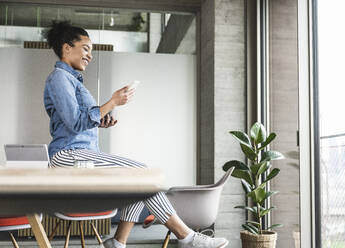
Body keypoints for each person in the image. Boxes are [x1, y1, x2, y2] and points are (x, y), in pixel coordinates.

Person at [43, 21, 228, 248]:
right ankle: (186, 237)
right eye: (85, 48)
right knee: (142, 174)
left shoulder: (72, 81)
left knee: (137, 183)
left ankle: (118, 242)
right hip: (69, 158)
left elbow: (76, 122)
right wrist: (111, 103)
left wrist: (100, 121)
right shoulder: (59, 78)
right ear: (66, 48)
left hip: (81, 156)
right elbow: (74, 122)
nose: (90, 55)